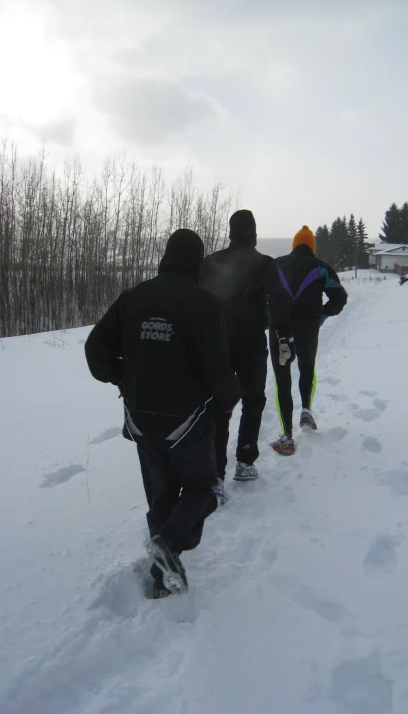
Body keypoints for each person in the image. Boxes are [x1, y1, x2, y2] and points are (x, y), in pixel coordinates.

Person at [85, 229, 241, 598]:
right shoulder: (205, 304)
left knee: (162, 496)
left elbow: (95, 350)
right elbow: (219, 371)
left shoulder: (132, 298)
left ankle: (161, 580)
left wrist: (121, 376)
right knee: (204, 490)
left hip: (140, 420)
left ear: (166, 258)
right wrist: (228, 401)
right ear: (196, 263)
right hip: (186, 423)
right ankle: (169, 543)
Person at [200, 209, 293, 502]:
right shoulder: (265, 264)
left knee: (218, 407)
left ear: (230, 232)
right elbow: (280, 301)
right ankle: (245, 462)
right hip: (251, 345)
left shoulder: (211, 262)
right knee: (254, 400)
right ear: (253, 232)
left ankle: (214, 477)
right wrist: (283, 337)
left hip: (217, 346)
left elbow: (194, 300)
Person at [269, 225, 348, 455]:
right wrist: (322, 314)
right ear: (312, 246)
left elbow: (260, 295)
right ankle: (306, 413)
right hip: (308, 330)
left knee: (282, 380)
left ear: (294, 245)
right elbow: (340, 297)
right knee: (307, 368)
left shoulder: (275, 265)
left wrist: (268, 319)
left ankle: (286, 437)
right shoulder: (322, 268)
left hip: (279, 331)